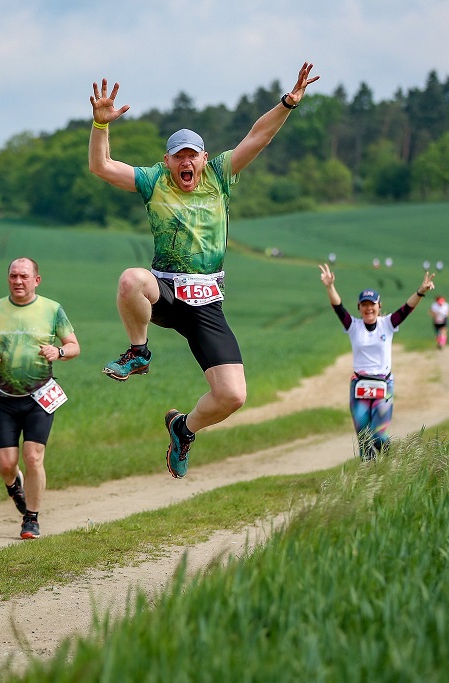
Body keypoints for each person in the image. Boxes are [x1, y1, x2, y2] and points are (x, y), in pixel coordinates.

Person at [88, 61, 320, 479]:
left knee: (232, 396)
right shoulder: (153, 180)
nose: (186, 164)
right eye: (179, 157)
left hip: (206, 300)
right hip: (166, 289)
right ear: (168, 160)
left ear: (204, 158)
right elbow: (101, 167)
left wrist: (288, 103)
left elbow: (258, 135)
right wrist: (100, 126)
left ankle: (183, 427)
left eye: (192, 156)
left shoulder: (220, 175)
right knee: (130, 279)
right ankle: (138, 353)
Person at [0, 258, 80, 539]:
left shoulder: (52, 309)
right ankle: (14, 485)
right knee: (6, 465)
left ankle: (31, 518)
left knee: (33, 457)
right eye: (13, 276)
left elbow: (73, 346)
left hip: (40, 396)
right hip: (5, 397)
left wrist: (58, 352)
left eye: (24, 276)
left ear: (36, 280)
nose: (18, 281)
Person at [318, 263, 436, 462]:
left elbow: (407, 309)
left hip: (383, 385)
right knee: (364, 437)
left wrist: (421, 291)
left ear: (379, 306)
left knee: (379, 435)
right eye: (364, 305)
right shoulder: (353, 326)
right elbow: (338, 307)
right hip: (360, 385)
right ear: (359, 307)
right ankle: (369, 477)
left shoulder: (387, 324)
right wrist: (330, 287)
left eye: (372, 304)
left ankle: (392, 462)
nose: (368, 308)